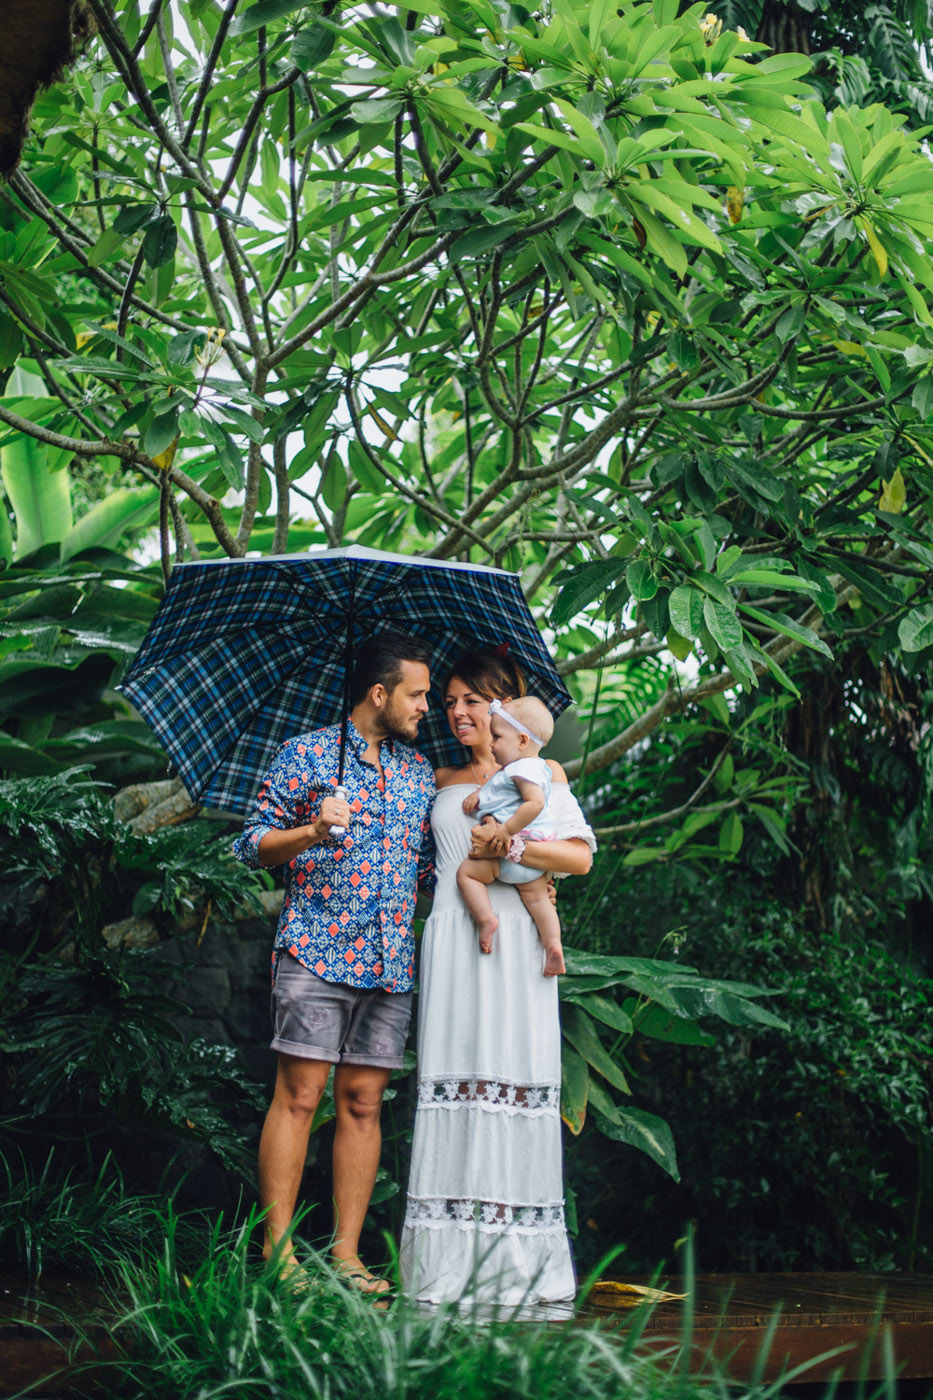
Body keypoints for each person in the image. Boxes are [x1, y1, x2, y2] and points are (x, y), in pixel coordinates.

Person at [233, 632, 435, 1295]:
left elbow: (432, 863)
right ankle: (280, 1255)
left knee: (363, 1105)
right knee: (298, 1099)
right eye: (417, 694)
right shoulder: (306, 755)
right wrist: (313, 831)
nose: (426, 707)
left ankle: (346, 1256)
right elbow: (252, 843)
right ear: (379, 693)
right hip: (316, 950)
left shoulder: (418, 772)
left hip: (389, 962)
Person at [400, 647, 596, 1307]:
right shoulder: (435, 775)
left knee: (512, 1075)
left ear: (501, 703)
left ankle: (521, 1266)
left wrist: (511, 846)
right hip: (452, 938)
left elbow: (577, 859)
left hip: (516, 943)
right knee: (453, 1079)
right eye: (449, 701)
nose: (457, 712)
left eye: (470, 700)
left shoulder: (541, 773)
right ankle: (445, 1267)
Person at [457, 695, 566, 975]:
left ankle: (485, 920)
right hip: (534, 866)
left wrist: (505, 831)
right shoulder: (527, 769)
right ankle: (553, 945)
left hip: (509, 850)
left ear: (521, 741)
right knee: (540, 902)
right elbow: (498, 793)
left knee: (467, 875)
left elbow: (534, 803)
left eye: (497, 736)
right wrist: (478, 796)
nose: (491, 743)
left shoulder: (522, 768)